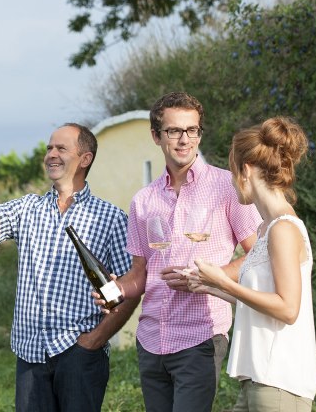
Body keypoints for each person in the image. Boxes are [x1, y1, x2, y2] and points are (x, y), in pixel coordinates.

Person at [0, 123, 138, 412]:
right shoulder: (27, 209)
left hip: (80, 354)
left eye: (61, 148)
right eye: (49, 147)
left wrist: (94, 340)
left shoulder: (111, 218)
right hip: (30, 354)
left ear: (84, 159)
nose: (51, 154)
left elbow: (129, 288)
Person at [99, 92, 262, 412]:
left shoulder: (226, 186)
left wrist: (207, 276)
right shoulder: (143, 200)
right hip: (150, 341)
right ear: (156, 136)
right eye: (174, 131)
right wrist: (115, 290)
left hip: (200, 336)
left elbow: (259, 255)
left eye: (192, 130)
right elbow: (139, 275)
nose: (185, 139)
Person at [189, 117, 316, 411]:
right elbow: (261, 299)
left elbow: (287, 308)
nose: (233, 184)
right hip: (258, 380)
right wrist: (209, 286)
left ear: (245, 170)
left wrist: (222, 280)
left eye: (233, 173)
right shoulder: (266, 229)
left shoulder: (283, 229)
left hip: (280, 380)